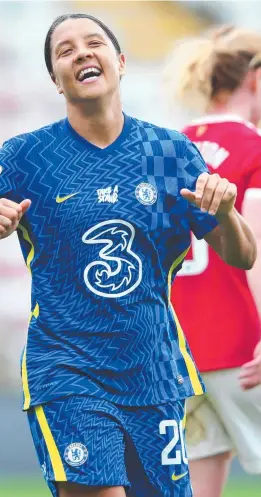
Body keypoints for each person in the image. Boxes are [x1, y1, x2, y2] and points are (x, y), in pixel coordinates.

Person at [0, 14, 257, 497]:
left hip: (156, 373)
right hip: (68, 371)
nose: (81, 53)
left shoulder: (171, 153)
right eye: (65, 51)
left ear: (120, 62)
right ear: (54, 80)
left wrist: (227, 213)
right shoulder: (27, 156)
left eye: (93, 43)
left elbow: (243, 254)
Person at [167, 26, 261, 497]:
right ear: (255, 81)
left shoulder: (168, 149)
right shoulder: (254, 149)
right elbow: (257, 255)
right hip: (246, 349)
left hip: (181, 354)